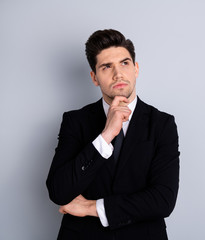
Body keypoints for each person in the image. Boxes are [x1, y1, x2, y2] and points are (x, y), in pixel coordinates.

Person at [46, 29, 180, 240]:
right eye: (107, 67)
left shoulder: (162, 124)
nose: (118, 74)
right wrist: (106, 136)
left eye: (124, 63)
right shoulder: (75, 121)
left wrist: (93, 207)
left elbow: (163, 200)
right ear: (94, 77)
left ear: (136, 69)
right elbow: (59, 191)